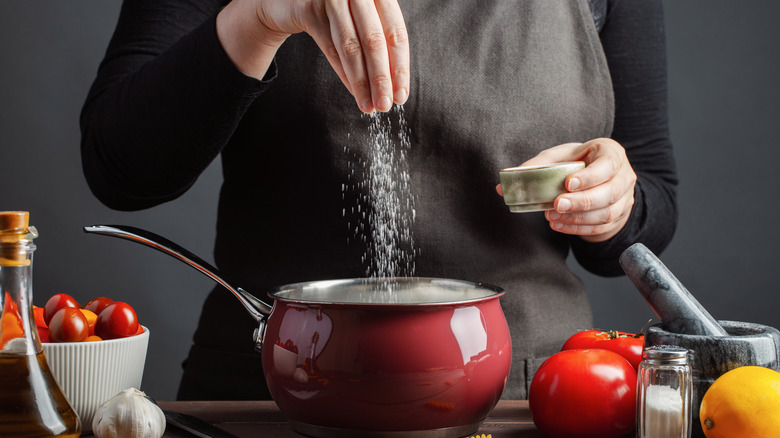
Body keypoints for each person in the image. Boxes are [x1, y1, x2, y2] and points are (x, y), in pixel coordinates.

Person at [80, 0, 677, 400]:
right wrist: (257, 18)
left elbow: (652, 200)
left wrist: (612, 204)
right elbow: (121, 169)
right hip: (274, 390)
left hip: (526, 399)